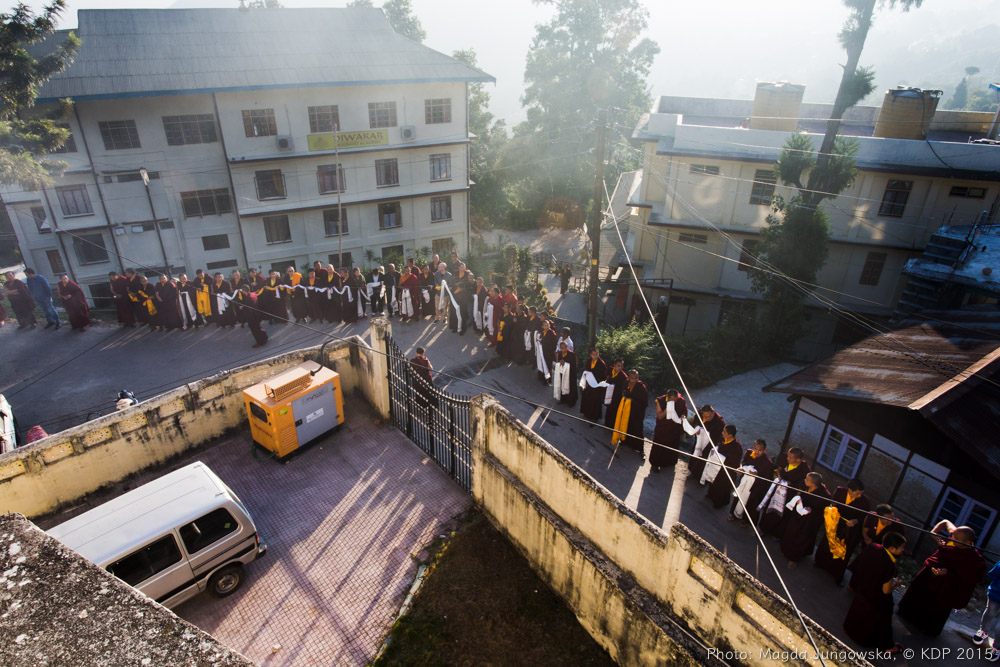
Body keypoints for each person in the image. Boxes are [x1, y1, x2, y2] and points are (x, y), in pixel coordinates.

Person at [897, 522, 987, 637]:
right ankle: (906, 614)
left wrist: (947, 573)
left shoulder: (974, 560)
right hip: (930, 572)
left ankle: (926, 628)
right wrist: (935, 534)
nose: (951, 539)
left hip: (947, 584)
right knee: (918, 592)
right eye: (952, 536)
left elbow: (969, 579)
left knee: (937, 606)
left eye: (955, 539)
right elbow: (945, 522)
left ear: (968, 543)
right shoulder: (956, 534)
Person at [842, 532, 907, 653]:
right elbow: (886, 590)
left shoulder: (873, 547)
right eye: (902, 548)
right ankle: (888, 647)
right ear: (892, 548)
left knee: (858, 611)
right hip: (875, 597)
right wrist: (895, 583)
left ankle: (850, 630)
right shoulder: (890, 566)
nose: (903, 550)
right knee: (884, 615)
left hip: (862, 588)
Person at [815, 478, 871, 586]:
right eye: (857, 493)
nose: (859, 496)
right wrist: (832, 511)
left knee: (844, 550)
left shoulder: (865, 501)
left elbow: (864, 516)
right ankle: (821, 563)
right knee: (828, 543)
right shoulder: (840, 491)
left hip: (850, 528)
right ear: (849, 490)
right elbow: (834, 503)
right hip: (836, 523)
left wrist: (855, 521)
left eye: (861, 493)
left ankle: (837, 573)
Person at [780, 472, 831, 568]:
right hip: (798, 514)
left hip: (809, 520)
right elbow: (798, 493)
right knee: (791, 531)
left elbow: (823, 510)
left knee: (802, 538)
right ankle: (786, 549)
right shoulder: (804, 485)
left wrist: (812, 510)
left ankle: (794, 558)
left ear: (813, 484)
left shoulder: (823, 495)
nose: (804, 480)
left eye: (807, 479)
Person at [758, 446, 811, 537]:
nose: (788, 459)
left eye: (790, 458)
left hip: (788, 495)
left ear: (798, 460)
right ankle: (764, 529)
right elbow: (778, 470)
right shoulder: (784, 459)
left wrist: (790, 484)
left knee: (782, 515)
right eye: (788, 456)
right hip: (777, 490)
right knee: (770, 511)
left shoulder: (804, 470)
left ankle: (776, 534)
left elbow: (802, 485)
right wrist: (779, 477)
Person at [732, 438, 774, 525]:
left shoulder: (768, 463)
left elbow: (768, 479)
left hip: (756, 487)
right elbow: (743, 464)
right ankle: (735, 514)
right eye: (755, 449)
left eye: (760, 450)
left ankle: (747, 521)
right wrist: (741, 470)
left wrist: (757, 476)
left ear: (765, 450)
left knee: (752, 504)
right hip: (745, 482)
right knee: (739, 497)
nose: (757, 452)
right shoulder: (749, 453)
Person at [610, 370, 648, 457]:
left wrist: (632, 401)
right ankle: (624, 441)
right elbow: (622, 392)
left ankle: (640, 449)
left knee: (637, 430)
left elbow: (644, 402)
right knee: (626, 425)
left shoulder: (641, 387)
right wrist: (624, 396)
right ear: (628, 377)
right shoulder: (626, 383)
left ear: (638, 378)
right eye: (632, 378)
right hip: (626, 409)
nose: (633, 380)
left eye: (635, 378)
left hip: (636, 412)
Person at [650, 389, 689, 472]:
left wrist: (683, 416)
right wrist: (667, 409)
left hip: (674, 429)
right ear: (667, 397)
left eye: (675, 400)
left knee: (672, 446)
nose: (674, 402)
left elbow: (684, 412)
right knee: (659, 446)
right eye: (672, 400)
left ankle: (669, 462)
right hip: (663, 428)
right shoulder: (661, 400)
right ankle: (655, 464)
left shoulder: (681, 400)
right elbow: (660, 416)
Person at [706, 424, 744, 508]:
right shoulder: (723, 439)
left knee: (722, 488)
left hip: (726, 471)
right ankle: (711, 495)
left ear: (730, 435)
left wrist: (720, 457)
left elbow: (733, 462)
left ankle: (719, 503)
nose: (722, 432)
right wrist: (714, 450)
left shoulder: (737, 447)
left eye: (724, 431)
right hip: (717, 467)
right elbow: (718, 446)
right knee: (714, 482)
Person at [689, 405, 725, 480]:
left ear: (713, 412)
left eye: (710, 416)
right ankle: (692, 471)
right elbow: (695, 422)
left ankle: (701, 477)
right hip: (699, 440)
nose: (708, 418)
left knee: (703, 461)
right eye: (706, 416)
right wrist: (696, 428)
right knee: (695, 454)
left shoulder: (719, 421)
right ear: (702, 414)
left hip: (709, 444)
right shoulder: (699, 414)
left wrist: (716, 447)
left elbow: (720, 436)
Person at [973, 559, 1000, 655]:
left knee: (999, 626)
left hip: (995, 592)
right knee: (990, 613)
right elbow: (993, 574)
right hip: (995, 594)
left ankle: (997, 647)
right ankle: (983, 631)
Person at [410, 346, 437, 427]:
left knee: (419, 391)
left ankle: (420, 404)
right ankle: (429, 405)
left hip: (417, 380)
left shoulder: (412, 360)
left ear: (416, 353)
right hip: (426, 379)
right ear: (423, 353)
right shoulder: (425, 360)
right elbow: (431, 368)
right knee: (428, 392)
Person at [579, 349, 608, 423]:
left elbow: (603, 376)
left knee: (595, 401)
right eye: (593, 354)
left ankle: (594, 417)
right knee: (587, 398)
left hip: (596, 385)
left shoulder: (601, 364)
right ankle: (586, 413)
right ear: (590, 355)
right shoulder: (589, 361)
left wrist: (596, 382)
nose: (595, 356)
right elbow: (587, 370)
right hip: (589, 383)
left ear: (599, 354)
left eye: (597, 354)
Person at [603, 359, 627, 430]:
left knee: (614, 410)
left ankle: (612, 426)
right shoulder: (610, 369)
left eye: (621, 366)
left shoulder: (623, 376)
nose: (620, 368)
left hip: (617, 395)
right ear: (614, 365)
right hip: (609, 392)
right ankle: (606, 423)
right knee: (608, 408)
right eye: (618, 366)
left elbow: (624, 388)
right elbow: (606, 377)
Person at [553, 341, 578, 406]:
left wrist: (565, 364)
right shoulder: (560, 353)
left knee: (570, 387)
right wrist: (560, 364)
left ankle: (571, 402)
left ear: (567, 347)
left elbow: (574, 366)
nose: (563, 349)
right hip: (563, 373)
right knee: (562, 385)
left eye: (564, 348)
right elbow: (558, 363)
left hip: (571, 374)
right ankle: (563, 399)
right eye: (561, 348)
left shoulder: (572, 355)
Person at [451, 263, 472, 334]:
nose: (463, 269)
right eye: (461, 267)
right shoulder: (455, 274)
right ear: (459, 268)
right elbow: (453, 283)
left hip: (463, 297)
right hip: (455, 296)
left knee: (463, 313)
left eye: (464, 267)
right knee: (455, 312)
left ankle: (463, 329)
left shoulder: (468, 274)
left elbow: (468, 283)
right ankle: (455, 327)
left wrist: (461, 285)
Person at [536, 318, 557, 384]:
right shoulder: (543, 332)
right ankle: (542, 376)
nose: (546, 326)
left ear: (549, 325)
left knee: (548, 366)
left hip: (548, 353)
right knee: (542, 364)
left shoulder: (552, 334)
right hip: (543, 352)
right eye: (545, 325)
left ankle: (547, 380)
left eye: (547, 325)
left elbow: (554, 344)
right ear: (542, 326)